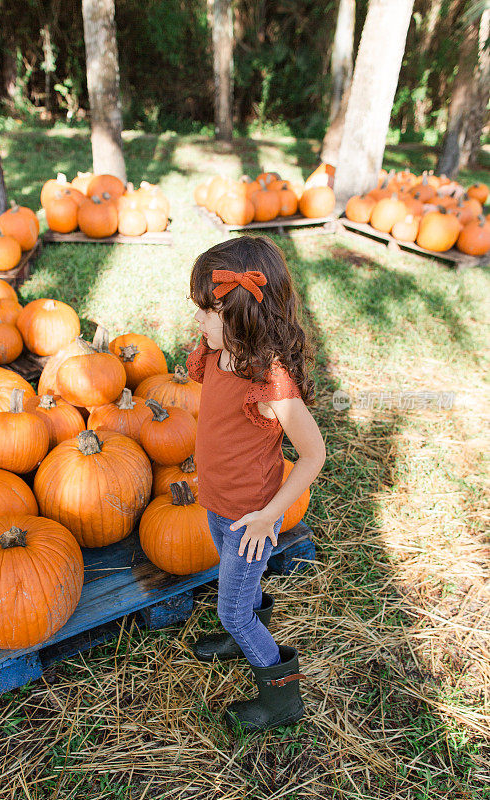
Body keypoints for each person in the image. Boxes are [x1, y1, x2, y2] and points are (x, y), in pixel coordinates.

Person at [185, 235, 326, 733]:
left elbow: (313, 454)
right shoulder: (218, 354)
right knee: (235, 584)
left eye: (207, 311)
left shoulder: (270, 382)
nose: (199, 320)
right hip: (218, 503)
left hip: (250, 517)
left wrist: (270, 514)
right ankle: (242, 623)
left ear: (240, 314)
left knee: (233, 608)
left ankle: (282, 699)